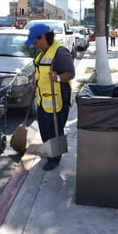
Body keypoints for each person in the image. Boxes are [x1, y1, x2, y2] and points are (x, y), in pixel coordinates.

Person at [25, 23, 75, 171]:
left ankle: (55, 159)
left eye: (35, 40)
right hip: (43, 99)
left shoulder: (60, 52)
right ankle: (49, 151)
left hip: (58, 100)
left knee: (55, 130)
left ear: (44, 37)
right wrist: (37, 82)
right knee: (45, 129)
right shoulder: (42, 52)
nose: (34, 43)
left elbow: (71, 73)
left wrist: (58, 78)